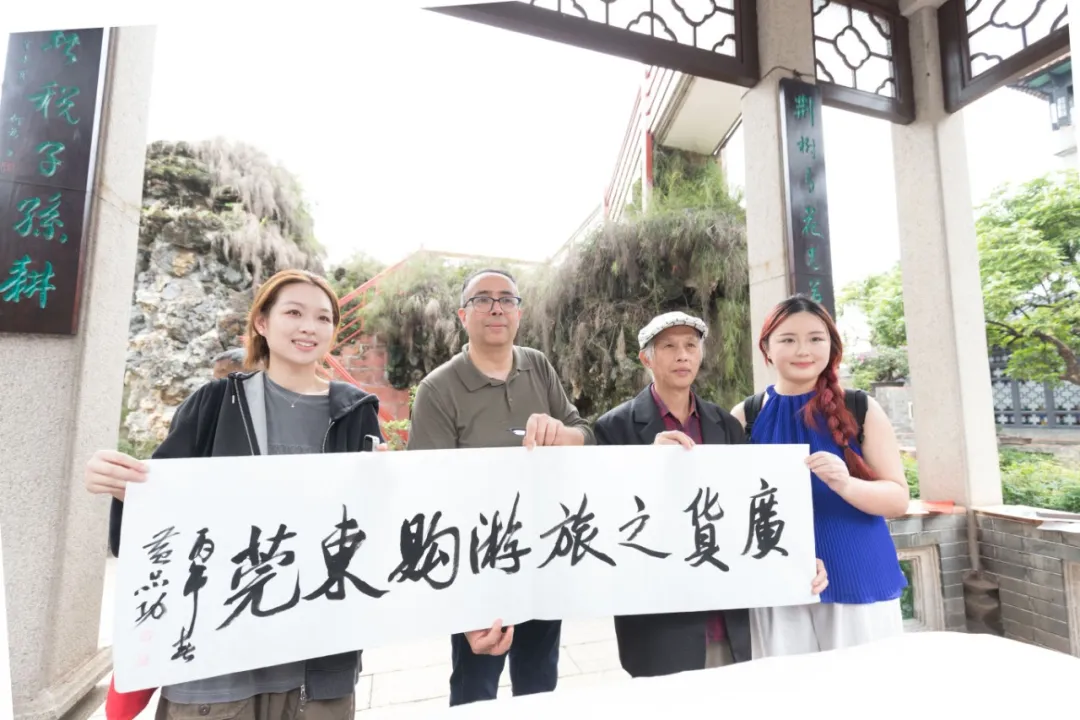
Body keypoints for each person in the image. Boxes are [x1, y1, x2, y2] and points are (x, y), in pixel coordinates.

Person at [85, 268, 387, 720]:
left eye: (323, 318)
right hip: (215, 663)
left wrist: (388, 489)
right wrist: (122, 485)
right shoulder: (213, 404)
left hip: (318, 666)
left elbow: (373, 530)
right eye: (294, 313)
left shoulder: (357, 413)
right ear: (262, 322)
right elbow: (158, 512)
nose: (309, 327)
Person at [593, 311, 828, 678]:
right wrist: (646, 466)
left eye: (691, 346)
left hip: (728, 615)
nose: (682, 355)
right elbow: (604, 519)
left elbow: (750, 507)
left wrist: (795, 558)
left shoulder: (726, 425)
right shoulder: (613, 428)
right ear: (646, 358)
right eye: (668, 346)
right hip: (660, 622)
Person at [406, 268, 594, 707]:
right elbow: (428, 495)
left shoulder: (538, 366)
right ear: (462, 315)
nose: (496, 308)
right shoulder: (438, 389)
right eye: (482, 299)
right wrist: (460, 603)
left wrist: (561, 433)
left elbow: (585, 433)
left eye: (507, 299)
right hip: (478, 565)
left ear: (519, 313)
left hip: (543, 554)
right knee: (476, 691)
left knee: (540, 683)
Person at [730, 294, 910, 659]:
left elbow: (897, 499)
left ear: (832, 345)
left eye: (815, 338)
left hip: (857, 575)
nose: (803, 350)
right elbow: (728, 503)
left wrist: (846, 484)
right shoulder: (746, 415)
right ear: (766, 348)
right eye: (788, 339)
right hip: (778, 581)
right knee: (788, 689)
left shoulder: (860, 407)